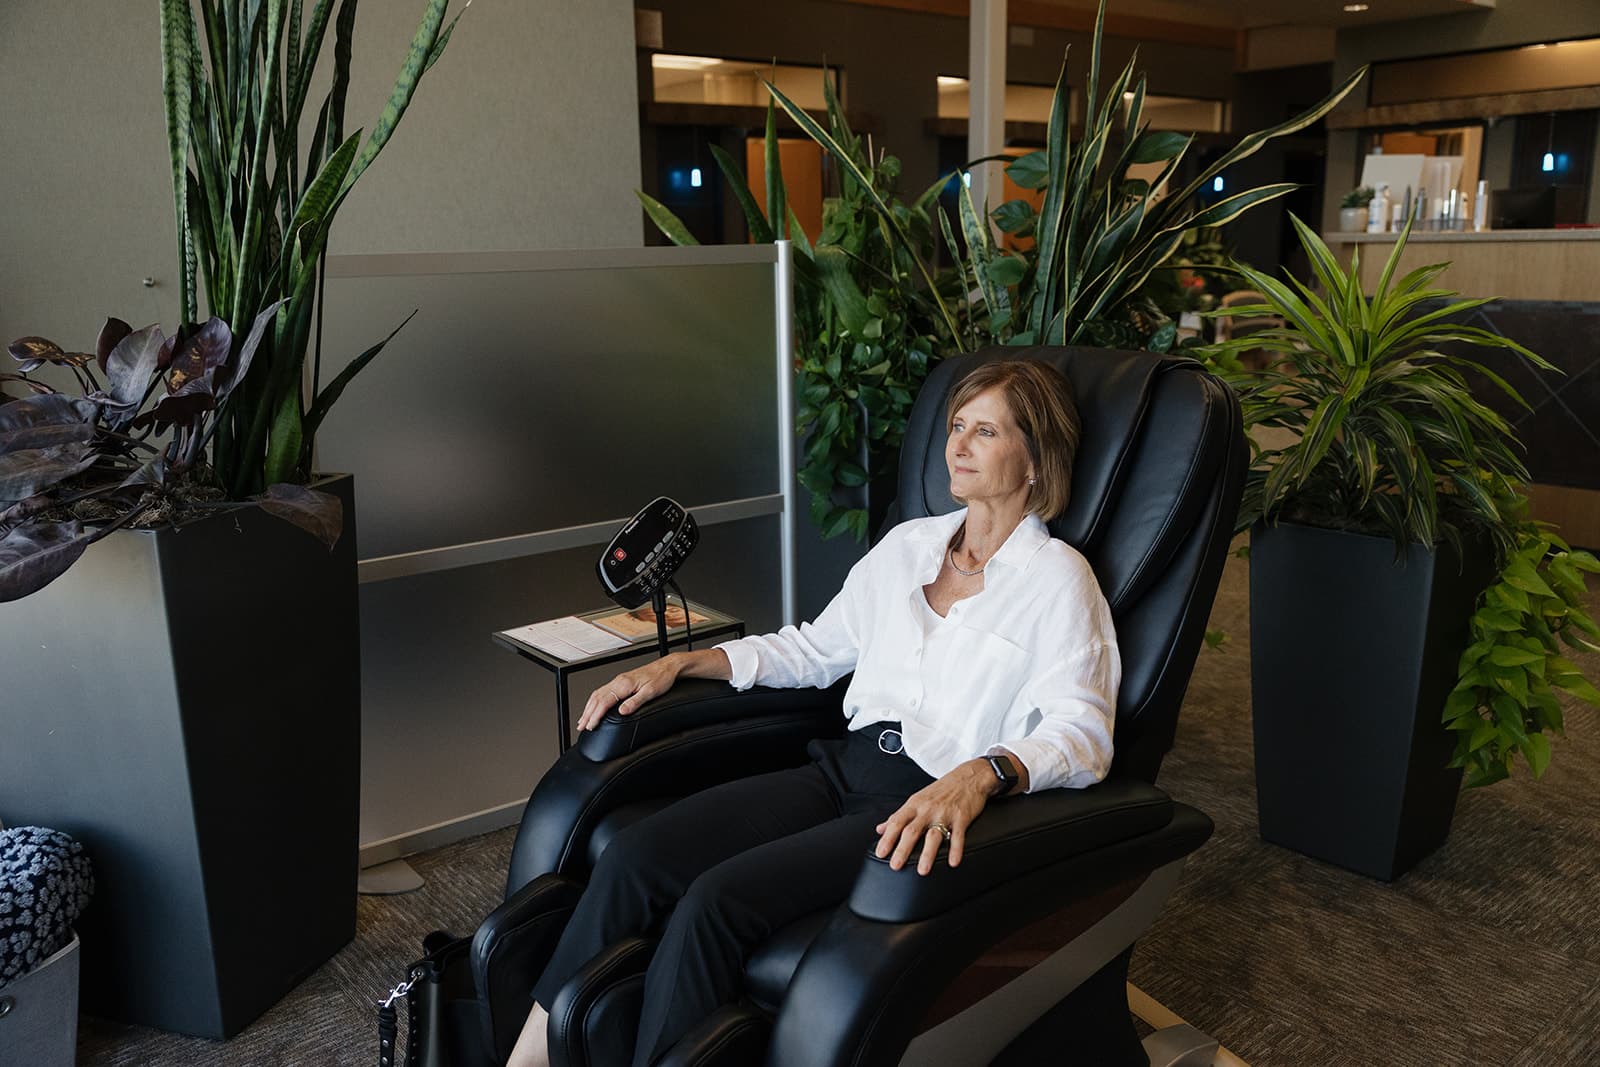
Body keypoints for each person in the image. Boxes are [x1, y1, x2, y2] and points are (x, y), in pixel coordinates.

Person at [507, 359, 1120, 1067]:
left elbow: (1083, 730)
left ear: (1037, 460)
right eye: (956, 426)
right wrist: (683, 661)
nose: (958, 444)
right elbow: (815, 649)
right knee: (634, 858)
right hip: (840, 767)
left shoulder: (1059, 581)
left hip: (914, 806)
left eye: (985, 431)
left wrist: (982, 773)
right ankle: (525, 1061)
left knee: (714, 904)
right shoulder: (909, 545)